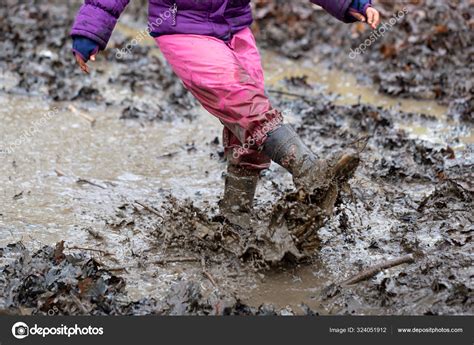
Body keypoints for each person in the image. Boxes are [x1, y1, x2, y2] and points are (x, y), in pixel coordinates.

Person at [71, 0, 381, 227]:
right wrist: (91, 31)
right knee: (241, 99)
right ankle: (312, 171)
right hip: (183, 29)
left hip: (235, 29)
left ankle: (235, 222)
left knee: (248, 122)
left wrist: (347, 3)